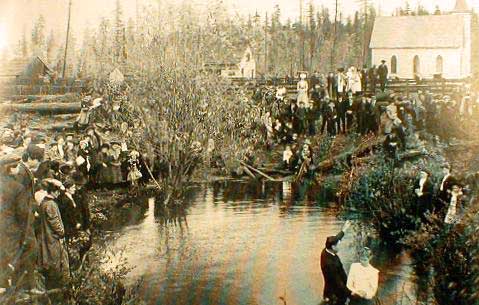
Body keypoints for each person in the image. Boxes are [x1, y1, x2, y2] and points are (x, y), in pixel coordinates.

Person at [37, 179, 70, 304]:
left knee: (51, 263)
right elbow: (55, 222)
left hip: (47, 237)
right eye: (58, 192)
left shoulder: (43, 202)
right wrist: (62, 232)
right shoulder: (50, 204)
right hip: (52, 239)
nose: (58, 194)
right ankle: (57, 294)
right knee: (55, 263)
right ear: (54, 191)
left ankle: (55, 291)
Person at [321, 220, 352, 305]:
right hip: (335, 293)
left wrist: (344, 229)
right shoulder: (329, 263)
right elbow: (338, 282)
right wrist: (350, 293)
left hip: (331, 287)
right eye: (338, 245)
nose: (340, 246)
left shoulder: (327, 249)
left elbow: (337, 238)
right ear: (333, 247)